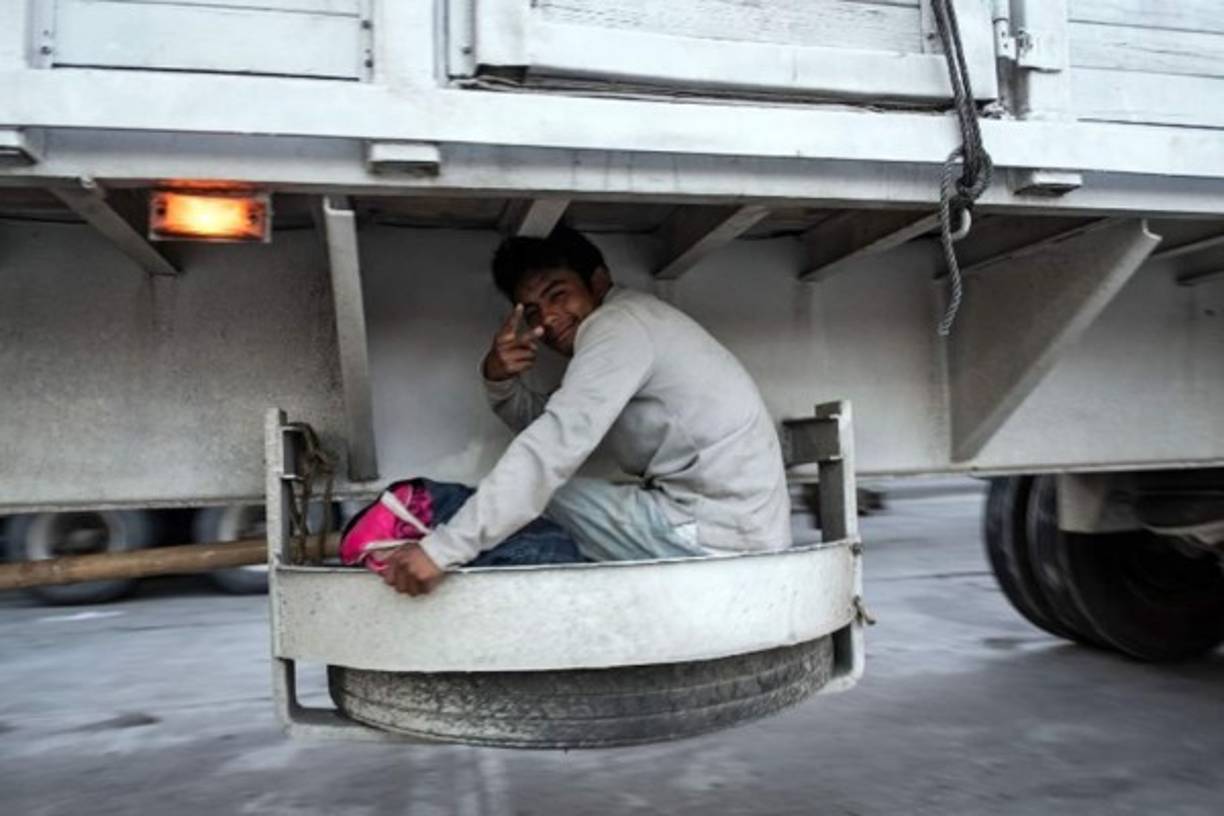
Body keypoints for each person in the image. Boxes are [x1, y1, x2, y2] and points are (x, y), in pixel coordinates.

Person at [380, 226, 791, 595]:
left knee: (539, 491)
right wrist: (498, 378)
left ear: (597, 281)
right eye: (533, 311)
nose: (549, 318)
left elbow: (550, 447)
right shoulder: (630, 324)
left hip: (719, 536)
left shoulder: (617, 328)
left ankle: (413, 550)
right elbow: (551, 425)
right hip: (735, 527)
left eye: (558, 295)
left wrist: (443, 550)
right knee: (530, 490)